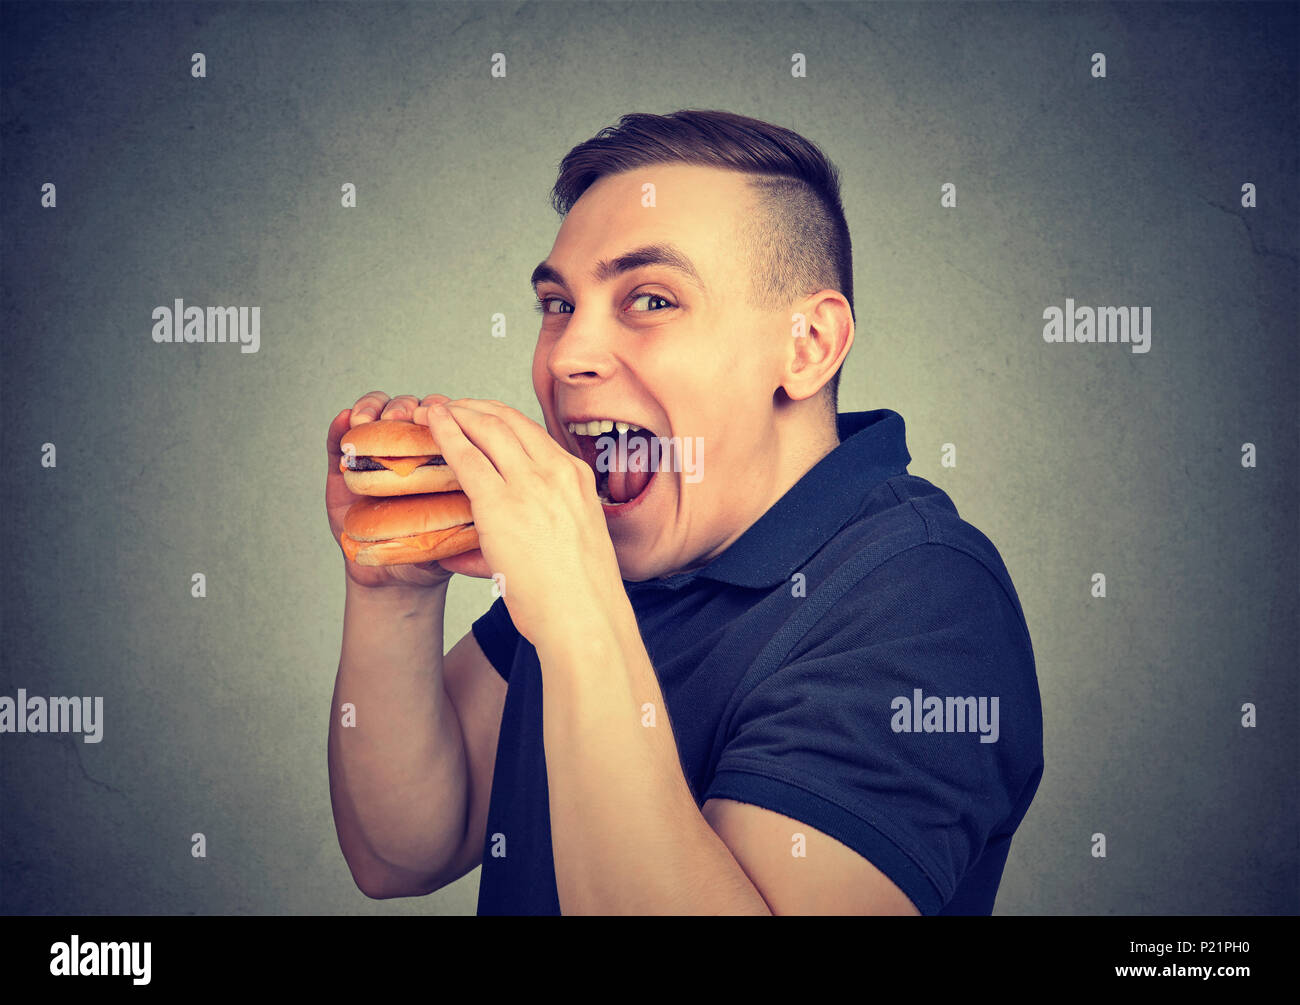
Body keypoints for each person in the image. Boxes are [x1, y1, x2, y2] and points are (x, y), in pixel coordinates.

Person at [324, 109, 1043, 915]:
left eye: (651, 299)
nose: (566, 355)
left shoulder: (924, 599)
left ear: (805, 345)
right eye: (558, 305)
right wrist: (393, 595)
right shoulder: (607, 543)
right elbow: (405, 848)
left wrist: (579, 616)